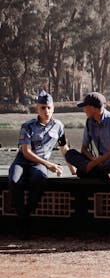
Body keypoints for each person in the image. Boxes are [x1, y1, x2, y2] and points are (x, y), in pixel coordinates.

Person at [8, 90, 72, 238]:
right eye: (43, 107)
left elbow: (64, 148)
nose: (46, 111)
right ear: (37, 108)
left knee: (39, 179)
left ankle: (24, 218)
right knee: (14, 181)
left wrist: (73, 169)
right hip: (23, 161)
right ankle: (23, 220)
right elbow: (26, 152)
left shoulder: (58, 126)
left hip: (39, 164)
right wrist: (49, 164)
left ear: (53, 108)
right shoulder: (27, 126)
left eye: (49, 107)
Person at [64, 92, 110, 179]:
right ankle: (104, 173)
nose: (84, 110)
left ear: (93, 108)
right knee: (70, 154)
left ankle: (95, 172)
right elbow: (84, 150)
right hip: (99, 162)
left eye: (85, 107)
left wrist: (90, 165)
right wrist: (94, 161)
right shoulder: (89, 122)